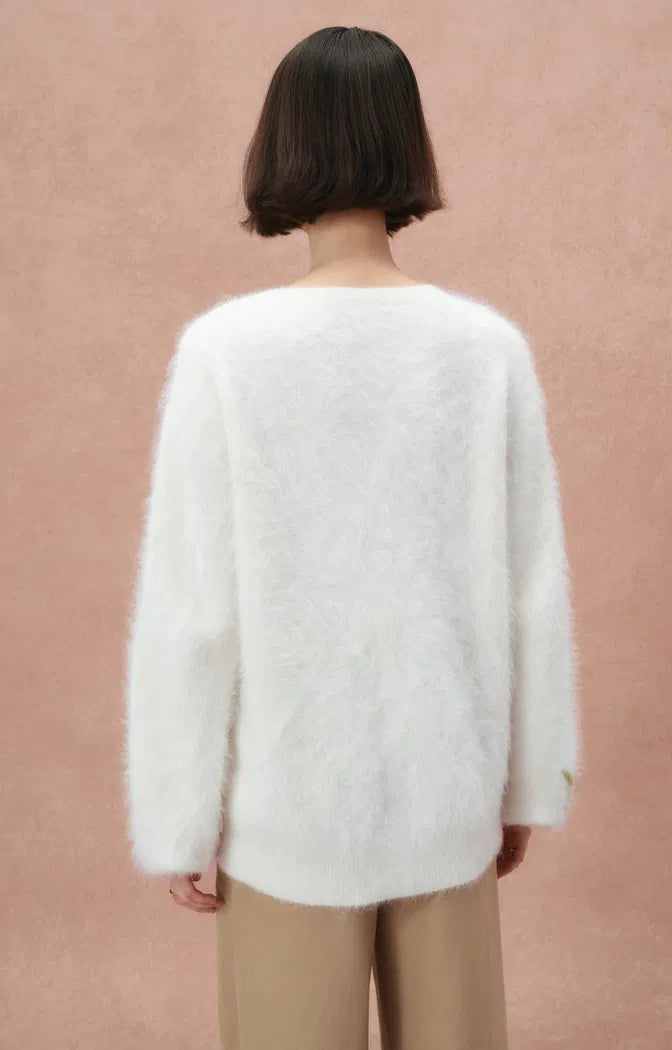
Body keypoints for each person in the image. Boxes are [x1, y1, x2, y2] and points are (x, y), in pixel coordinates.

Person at [122, 24, 580, 1050]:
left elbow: (193, 610)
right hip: (447, 791)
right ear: (407, 143)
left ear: (279, 144)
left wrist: (179, 814)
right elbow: (530, 592)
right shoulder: (486, 351)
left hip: (284, 807)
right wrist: (524, 780)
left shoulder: (225, 353)